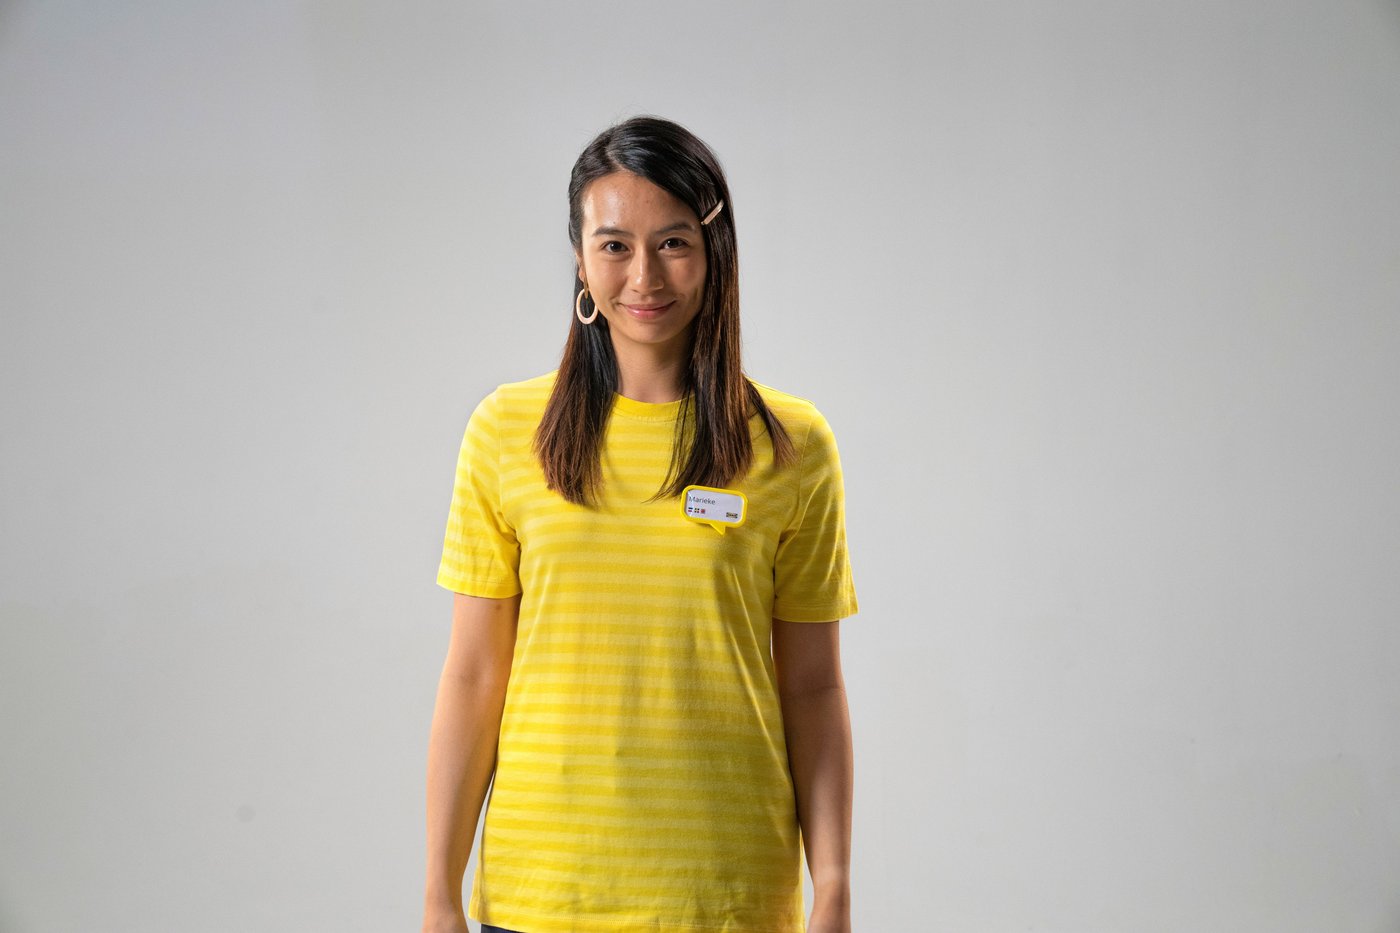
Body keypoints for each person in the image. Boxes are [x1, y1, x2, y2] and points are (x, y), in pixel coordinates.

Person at [422, 116, 858, 933]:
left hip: (728, 895)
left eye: (674, 242)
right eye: (615, 245)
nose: (644, 275)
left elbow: (813, 686)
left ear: (715, 252)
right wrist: (439, 891)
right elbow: (474, 677)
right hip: (543, 892)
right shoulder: (505, 431)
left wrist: (831, 882)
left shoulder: (791, 445)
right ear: (581, 260)